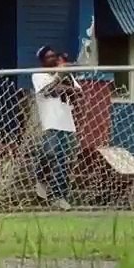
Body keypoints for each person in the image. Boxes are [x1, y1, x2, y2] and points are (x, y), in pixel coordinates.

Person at [31, 46, 79, 211]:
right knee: (50, 153)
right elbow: (48, 90)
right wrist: (60, 77)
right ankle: (41, 179)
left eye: (54, 56)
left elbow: (78, 93)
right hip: (49, 122)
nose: (53, 59)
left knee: (63, 160)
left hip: (67, 123)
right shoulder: (39, 75)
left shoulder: (68, 76)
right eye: (49, 57)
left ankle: (59, 196)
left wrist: (64, 83)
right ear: (43, 61)